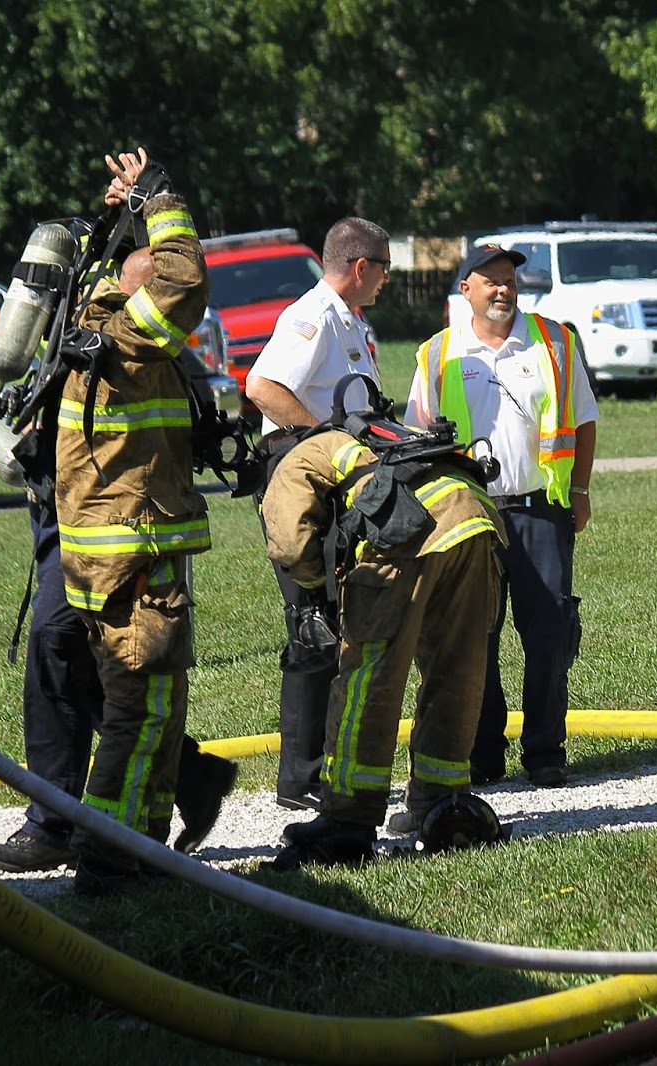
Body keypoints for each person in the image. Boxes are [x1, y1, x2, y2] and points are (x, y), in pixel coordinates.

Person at [44, 149, 218, 895]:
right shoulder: (129, 341)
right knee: (140, 713)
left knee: (140, 707)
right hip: (135, 552)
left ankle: (140, 845)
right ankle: (111, 858)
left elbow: (132, 268)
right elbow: (182, 278)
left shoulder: (88, 322)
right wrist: (161, 197)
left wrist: (122, 211)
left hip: (102, 553)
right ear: (132, 285)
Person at [260, 418, 504, 866]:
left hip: (404, 536)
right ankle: (441, 803)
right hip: (473, 521)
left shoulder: (301, 457)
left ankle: (346, 819)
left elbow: (290, 543)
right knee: (456, 670)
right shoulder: (377, 439)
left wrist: (317, 584)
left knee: (369, 679)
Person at [406, 245, 598, 789]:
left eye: (509, 279)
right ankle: (482, 753)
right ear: (464, 289)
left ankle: (545, 754)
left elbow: (583, 420)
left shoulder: (555, 341)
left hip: (542, 512)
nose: (502, 289)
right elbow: (418, 440)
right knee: (474, 639)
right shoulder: (436, 354)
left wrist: (579, 489)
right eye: (489, 280)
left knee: (549, 635)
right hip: (470, 517)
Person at [0, 499, 237, 875]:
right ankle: (191, 777)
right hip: (62, 500)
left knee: (57, 637)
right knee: (75, 654)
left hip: (107, 507)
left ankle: (55, 824)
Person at [245, 217, 392, 811]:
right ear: (360, 267)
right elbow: (263, 386)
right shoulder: (314, 316)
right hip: (301, 486)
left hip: (330, 485)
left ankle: (326, 765)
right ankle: (300, 780)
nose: (386, 279)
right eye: (383, 267)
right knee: (315, 625)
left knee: (340, 620)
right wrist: (326, 441)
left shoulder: (349, 319)